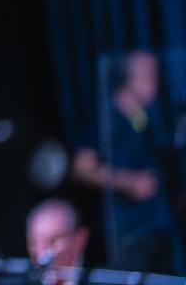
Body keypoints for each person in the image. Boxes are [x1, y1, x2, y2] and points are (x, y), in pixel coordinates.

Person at [72, 50, 178, 272]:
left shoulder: (141, 117)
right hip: (127, 233)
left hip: (154, 227)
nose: (155, 85)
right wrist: (128, 181)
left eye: (156, 76)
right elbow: (81, 168)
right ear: (128, 79)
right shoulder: (107, 120)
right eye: (147, 78)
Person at [27, 198, 90, 282]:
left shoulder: (102, 277)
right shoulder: (23, 281)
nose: (42, 253)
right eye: (34, 243)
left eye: (53, 241)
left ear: (80, 238)